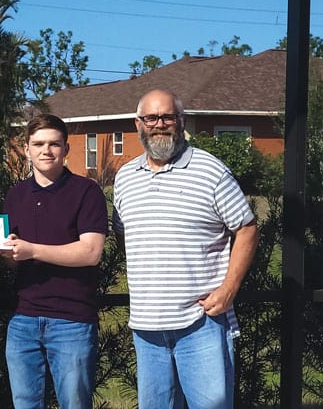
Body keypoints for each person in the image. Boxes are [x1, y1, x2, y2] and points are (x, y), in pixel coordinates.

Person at [112, 89, 259, 409]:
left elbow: (247, 228)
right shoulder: (124, 178)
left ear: (181, 121)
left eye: (167, 117)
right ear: (138, 124)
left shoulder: (212, 171)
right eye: (151, 117)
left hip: (202, 323)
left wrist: (229, 289)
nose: (159, 124)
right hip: (146, 329)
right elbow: (126, 234)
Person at [0, 114, 108, 409]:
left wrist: (32, 250)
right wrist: (1, 250)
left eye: (54, 144)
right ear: (27, 149)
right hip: (23, 319)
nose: (46, 150)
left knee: (74, 404)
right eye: (39, 144)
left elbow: (90, 252)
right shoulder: (15, 195)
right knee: (25, 404)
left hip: (71, 319)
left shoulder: (87, 192)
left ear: (66, 149)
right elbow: (14, 260)